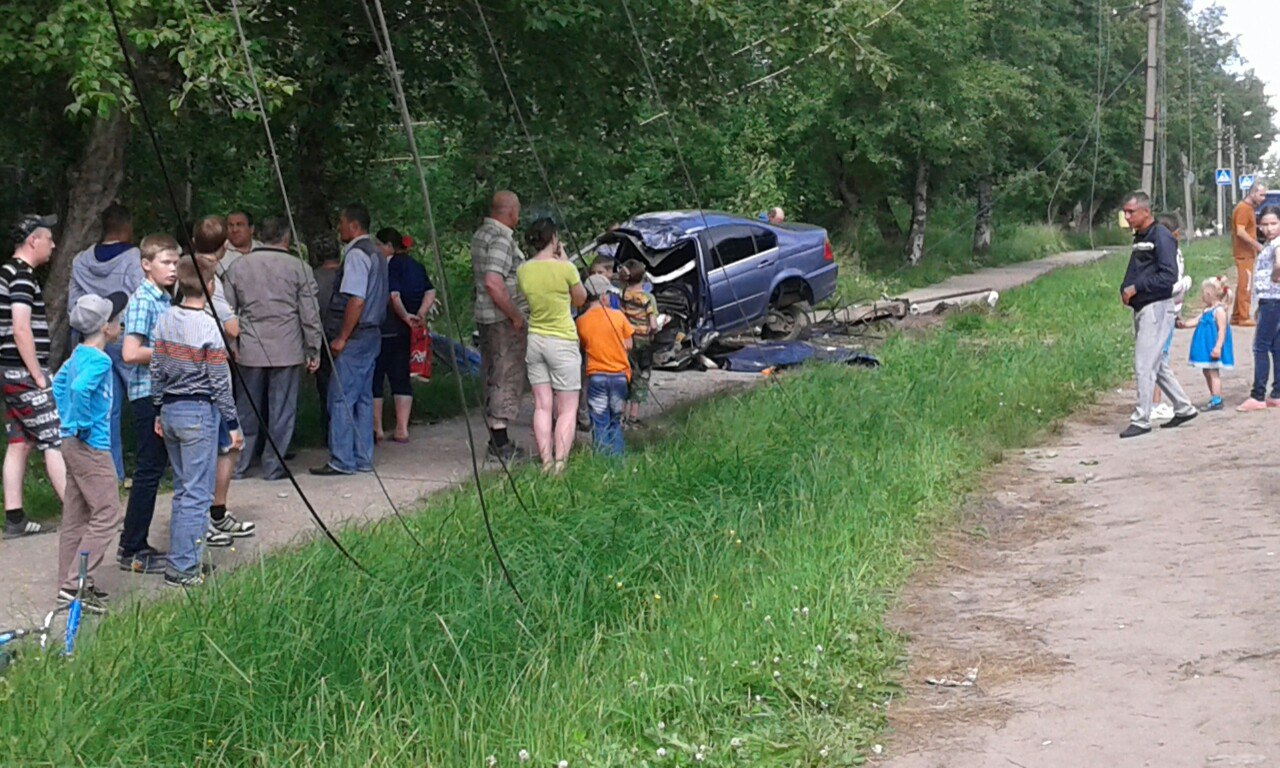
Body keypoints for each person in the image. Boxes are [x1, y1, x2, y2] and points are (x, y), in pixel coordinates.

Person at [151, 253, 243, 588]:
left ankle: (180, 557)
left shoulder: (164, 320)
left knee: (182, 489)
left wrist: (158, 407)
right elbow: (219, 380)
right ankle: (183, 567)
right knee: (197, 494)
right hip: (198, 412)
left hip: (171, 409)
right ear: (210, 285)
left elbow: (157, 367)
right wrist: (232, 423)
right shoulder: (208, 326)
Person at [224, 215, 322, 480]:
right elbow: (309, 314)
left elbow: (227, 311)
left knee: (246, 408)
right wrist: (314, 349)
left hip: (250, 347)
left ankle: (239, 463)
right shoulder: (299, 267)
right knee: (282, 409)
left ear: (261, 236)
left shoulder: (238, 267)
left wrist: (232, 344)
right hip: (287, 347)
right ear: (286, 237)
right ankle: (273, 464)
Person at [51, 293, 129, 613]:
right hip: (91, 445)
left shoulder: (77, 355)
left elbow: (58, 385)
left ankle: (67, 582)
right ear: (106, 328)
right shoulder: (99, 360)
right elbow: (80, 389)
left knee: (77, 514)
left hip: (69, 443)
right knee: (108, 513)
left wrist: (66, 419)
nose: (121, 325)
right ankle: (75, 585)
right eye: (118, 320)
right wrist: (81, 422)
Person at [119, 234, 182, 573]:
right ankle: (132, 547)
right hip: (147, 395)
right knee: (148, 472)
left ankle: (135, 541)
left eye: (176, 263)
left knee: (154, 470)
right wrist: (173, 353)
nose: (173, 269)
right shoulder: (144, 300)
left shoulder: (165, 299)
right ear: (146, 265)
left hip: (162, 392)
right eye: (166, 263)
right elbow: (130, 352)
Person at [1, 214, 66, 537]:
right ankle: (78, 510)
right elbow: (20, 327)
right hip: (23, 371)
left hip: (8, 370)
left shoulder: (7, 273)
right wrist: (38, 375)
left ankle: (15, 518)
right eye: (49, 239)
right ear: (32, 241)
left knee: (20, 441)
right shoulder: (22, 277)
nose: (53, 245)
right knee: (54, 435)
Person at [311, 203, 388, 476]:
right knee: (364, 397)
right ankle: (363, 456)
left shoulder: (356, 254)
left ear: (354, 226)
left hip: (356, 335)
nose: (339, 228)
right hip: (373, 333)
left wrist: (342, 336)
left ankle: (342, 459)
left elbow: (356, 299)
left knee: (341, 397)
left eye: (342, 223)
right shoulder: (377, 253)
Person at [67, 203, 143, 481]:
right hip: (124, 335)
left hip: (90, 339)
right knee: (144, 401)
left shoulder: (80, 260)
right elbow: (139, 296)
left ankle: (112, 474)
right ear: (126, 228)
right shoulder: (133, 257)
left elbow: (71, 305)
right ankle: (151, 465)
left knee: (106, 409)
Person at [187, 219, 252, 542]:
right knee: (227, 443)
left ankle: (204, 515)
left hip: (182, 374)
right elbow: (231, 327)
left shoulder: (181, 271)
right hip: (212, 371)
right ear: (224, 246)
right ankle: (214, 512)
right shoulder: (211, 278)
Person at [1118, 191, 1198, 438]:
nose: (1127, 216)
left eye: (1131, 212)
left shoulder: (1161, 236)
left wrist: (1137, 288)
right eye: (1125, 212)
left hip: (1157, 306)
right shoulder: (1141, 236)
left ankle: (1141, 419)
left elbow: (1167, 277)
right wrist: (1126, 288)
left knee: (1144, 364)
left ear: (1145, 211)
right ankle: (1184, 407)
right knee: (1157, 364)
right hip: (1143, 308)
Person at [516, 217, 586, 475]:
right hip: (562, 340)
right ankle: (560, 462)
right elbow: (580, 299)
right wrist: (565, 260)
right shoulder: (566, 269)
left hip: (535, 339)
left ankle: (545, 461)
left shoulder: (524, 270)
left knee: (542, 405)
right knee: (567, 407)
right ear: (554, 238)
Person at [471, 190, 529, 462]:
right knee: (506, 375)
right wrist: (515, 314)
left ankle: (498, 437)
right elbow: (493, 282)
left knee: (493, 372)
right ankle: (500, 442)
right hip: (501, 319)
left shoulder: (481, 234)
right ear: (510, 212)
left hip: (485, 317)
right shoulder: (500, 240)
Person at [372, 227, 434, 443]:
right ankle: (402, 428)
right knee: (401, 378)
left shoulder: (388, 266)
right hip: (407, 333)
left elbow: (393, 295)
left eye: (378, 245)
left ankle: (377, 428)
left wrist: (405, 315)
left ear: (389, 246)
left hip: (387, 328)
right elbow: (430, 291)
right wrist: (420, 314)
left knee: (376, 378)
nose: (377, 249)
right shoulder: (416, 266)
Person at [576, 274, 633, 455]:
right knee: (615, 420)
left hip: (597, 377)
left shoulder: (581, 321)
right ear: (602, 296)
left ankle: (601, 463)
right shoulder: (618, 316)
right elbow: (629, 344)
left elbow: (583, 346)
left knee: (600, 420)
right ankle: (617, 461)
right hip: (620, 377)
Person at [1237, 205, 1280, 412]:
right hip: (1270, 300)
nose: (1269, 228)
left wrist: (1275, 274)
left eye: (1274, 223)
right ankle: (1277, 392)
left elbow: (1279, 263)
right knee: (1275, 346)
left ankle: (1258, 394)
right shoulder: (1271, 243)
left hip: (1273, 300)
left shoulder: (1277, 244)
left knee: (1260, 346)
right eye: (1265, 224)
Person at [1150, 213, 1191, 421]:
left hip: (1171, 311)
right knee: (1159, 360)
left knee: (1160, 358)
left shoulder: (1173, 251)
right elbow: (1168, 285)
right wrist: (1185, 283)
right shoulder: (1166, 253)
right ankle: (1154, 404)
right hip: (1163, 311)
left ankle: (1155, 402)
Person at [310, 232, 341, 444]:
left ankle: (328, 431)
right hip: (348, 337)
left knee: (325, 387)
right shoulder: (347, 275)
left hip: (321, 338)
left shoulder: (311, 278)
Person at [620, 259, 658, 428]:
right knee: (640, 379)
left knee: (626, 376)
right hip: (643, 343)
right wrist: (654, 331)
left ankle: (620, 414)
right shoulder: (647, 298)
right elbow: (654, 324)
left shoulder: (623, 295)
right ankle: (633, 417)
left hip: (626, 342)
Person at [1187, 276, 1234, 411]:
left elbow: (1222, 330)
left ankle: (1217, 398)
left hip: (1212, 346)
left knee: (1213, 372)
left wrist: (1218, 346)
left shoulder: (1219, 311)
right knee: (1207, 371)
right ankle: (1213, 395)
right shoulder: (1207, 310)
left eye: (1203, 293)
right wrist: (1184, 324)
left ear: (1209, 294)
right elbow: (1197, 320)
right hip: (1205, 346)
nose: (1202, 296)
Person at [1230, 182, 1267, 326]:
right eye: (1261, 195)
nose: (1263, 198)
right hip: (1244, 253)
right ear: (1252, 193)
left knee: (1243, 284)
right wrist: (1257, 245)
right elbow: (1240, 231)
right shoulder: (1244, 209)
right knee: (1246, 286)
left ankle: (1236, 315)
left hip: (1247, 253)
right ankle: (1244, 317)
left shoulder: (1248, 208)